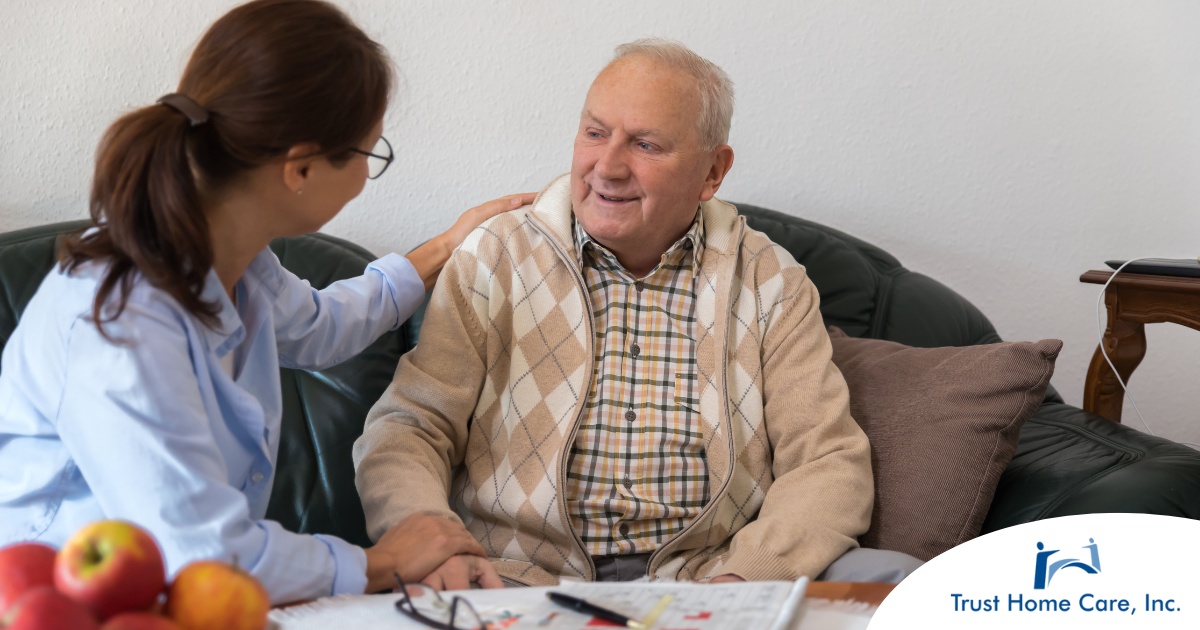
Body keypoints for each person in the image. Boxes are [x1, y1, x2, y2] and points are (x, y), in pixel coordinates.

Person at [0, 0, 521, 604]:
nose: (364, 176)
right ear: (299, 169)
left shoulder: (233, 257)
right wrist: (380, 562)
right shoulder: (119, 323)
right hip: (61, 601)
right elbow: (199, 552)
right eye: (369, 154)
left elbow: (322, 328)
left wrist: (449, 245)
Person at [353, 38, 923, 589]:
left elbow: (826, 460)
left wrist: (744, 577)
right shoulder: (497, 255)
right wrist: (435, 544)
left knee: (900, 581)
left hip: (710, 576)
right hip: (513, 577)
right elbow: (410, 428)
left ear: (712, 172)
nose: (608, 166)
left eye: (645, 145)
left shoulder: (771, 281)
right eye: (595, 133)